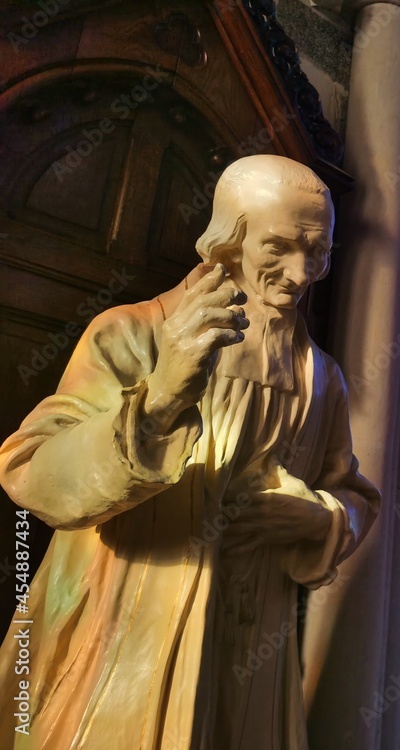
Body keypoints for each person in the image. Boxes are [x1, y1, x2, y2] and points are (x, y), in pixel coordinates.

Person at [0, 154, 380, 749]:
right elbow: (32, 474)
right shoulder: (133, 333)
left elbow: (353, 493)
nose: (302, 273)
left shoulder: (321, 378)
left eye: (319, 252)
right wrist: (155, 403)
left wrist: (319, 516)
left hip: (253, 652)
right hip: (127, 634)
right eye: (278, 247)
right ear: (230, 242)